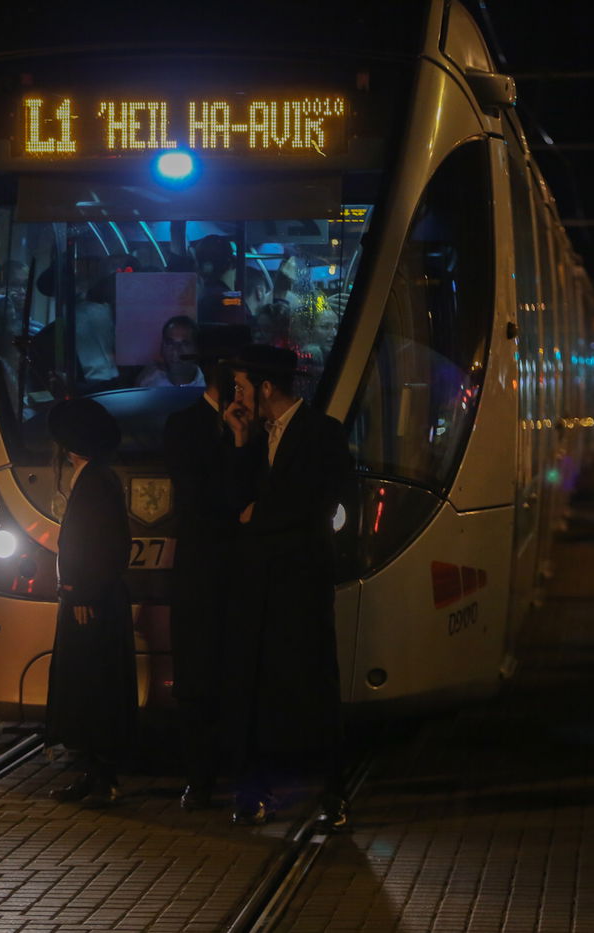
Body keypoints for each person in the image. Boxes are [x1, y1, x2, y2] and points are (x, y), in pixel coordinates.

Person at [220, 344, 354, 830]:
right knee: (257, 686)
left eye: (241, 388)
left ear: (266, 387)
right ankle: (257, 789)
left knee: (312, 683)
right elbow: (236, 504)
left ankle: (332, 794)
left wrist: (259, 517)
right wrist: (239, 440)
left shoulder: (322, 432)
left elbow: (321, 501)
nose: (235, 398)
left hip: (300, 583)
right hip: (259, 584)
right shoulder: (256, 437)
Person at [162, 323, 250, 809]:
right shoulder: (183, 425)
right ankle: (199, 776)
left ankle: (241, 772)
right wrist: (233, 443)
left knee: (240, 673)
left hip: (242, 568)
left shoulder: (254, 427)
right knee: (196, 674)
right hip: (201, 568)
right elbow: (199, 496)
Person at [44, 397, 136, 807]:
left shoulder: (94, 483)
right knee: (89, 684)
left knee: (92, 684)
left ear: (70, 447)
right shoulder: (98, 477)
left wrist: (83, 593)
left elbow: (99, 544)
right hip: (91, 595)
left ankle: (103, 776)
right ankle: (94, 772)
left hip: (90, 599)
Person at [137, 316, 205, 388]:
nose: (175, 350)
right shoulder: (150, 380)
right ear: (161, 348)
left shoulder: (209, 384)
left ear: (196, 349)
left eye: (184, 344)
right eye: (170, 343)